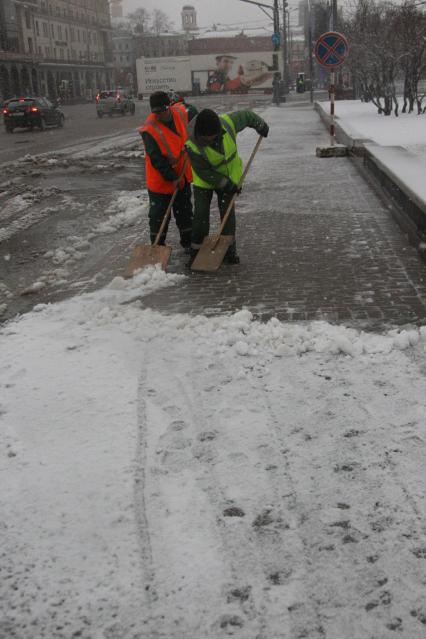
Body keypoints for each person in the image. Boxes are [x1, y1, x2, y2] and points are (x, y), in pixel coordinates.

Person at [185, 108, 269, 265]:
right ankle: (196, 252)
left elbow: (246, 115)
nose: (212, 139)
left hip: (230, 176)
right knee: (201, 215)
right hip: (204, 181)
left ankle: (229, 251)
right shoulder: (191, 143)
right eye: (208, 138)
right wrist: (225, 184)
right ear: (200, 133)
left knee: (228, 214)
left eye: (214, 136)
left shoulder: (227, 124)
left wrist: (260, 124)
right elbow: (203, 171)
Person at [139, 91, 197, 249]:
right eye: (156, 112)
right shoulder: (149, 129)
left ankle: (188, 243)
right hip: (160, 181)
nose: (160, 115)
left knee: (185, 213)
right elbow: (157, 160)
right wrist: (172, 178)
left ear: (169, 107)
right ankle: (157, 247)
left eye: (162, 111)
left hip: (182, 175)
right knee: (158, 217)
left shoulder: (179, 113)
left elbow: (192, 113)